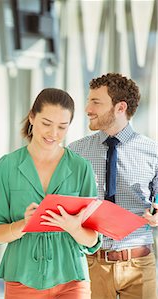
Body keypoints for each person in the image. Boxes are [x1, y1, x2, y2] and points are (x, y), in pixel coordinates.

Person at [0, 88, 102, 299]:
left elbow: (93, 240)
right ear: (32, 117)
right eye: (46, 123)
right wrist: (23, 225)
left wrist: (74, 228)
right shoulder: (7, 166)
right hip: (22, 277)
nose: (53, 134)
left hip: (72, 278)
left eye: (62, 127)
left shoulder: (80, 167)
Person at [68, 73, 158, 299]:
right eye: (89, 101)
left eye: (96, 102)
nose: (88, 108)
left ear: (120, 107)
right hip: (91, 263)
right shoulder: (76, 152)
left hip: (139, 264)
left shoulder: (153, 152)